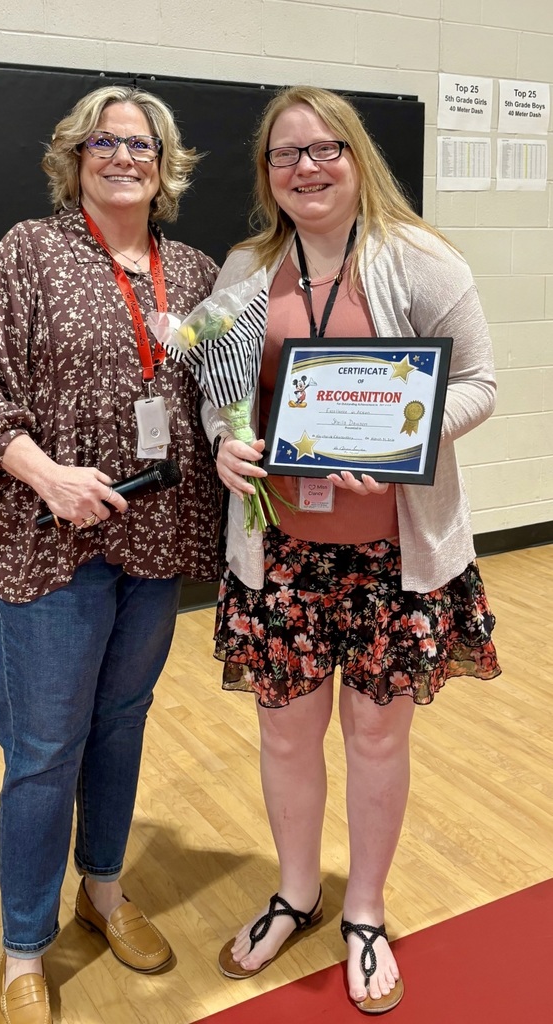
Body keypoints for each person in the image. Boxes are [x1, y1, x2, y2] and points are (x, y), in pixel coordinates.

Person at [202, 85, 500, 1015]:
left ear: (355, 155)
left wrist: (405, 443)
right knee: (285, 733)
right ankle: (297, 892)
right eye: (286, 155)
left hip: (392, 559)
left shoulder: (420, 259)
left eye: (324, 148)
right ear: (268, 175)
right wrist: (224, 438)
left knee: (377, 735)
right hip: (281, 555)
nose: (307, 168)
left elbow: (481, 383)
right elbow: (221, 390)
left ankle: (363, 911)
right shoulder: (247, 269)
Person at [0, 85, 222, 1024]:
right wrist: (47, 474)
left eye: (142, 144)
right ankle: (25, 943)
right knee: (44, 747)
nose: (123, 156)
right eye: (105, 141)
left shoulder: (198, 272)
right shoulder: (30, 252)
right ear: (75, 156)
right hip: (47, 540)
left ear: (166, 164)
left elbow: (226, 393)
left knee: (122, 722)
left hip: (153, 538)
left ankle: (101, 889)